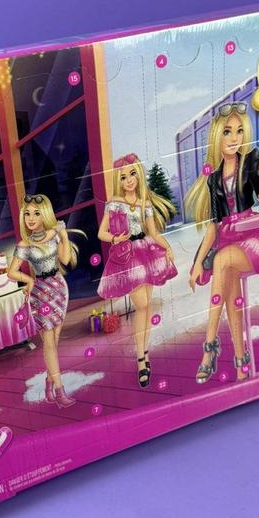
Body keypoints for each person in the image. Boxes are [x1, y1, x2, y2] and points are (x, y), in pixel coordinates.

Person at [185, 102, 259, 384]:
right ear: (217, 136)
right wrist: (196, 263)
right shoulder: (214, 179)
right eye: (227, 131)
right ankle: (241, 363)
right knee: (230, 297)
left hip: (253, 238)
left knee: (222, 260)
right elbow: (213, 227)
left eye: (239, 131)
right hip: (228, 238)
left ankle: (209, 347)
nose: (234, 137)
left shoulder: (251, 161)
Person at [97, 153, 177, 388]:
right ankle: (141, 358)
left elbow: (153, 232)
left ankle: (144, 355)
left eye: (132, 174)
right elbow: (101, 232)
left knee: (146, 307)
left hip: (147, 252)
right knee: (141, 306)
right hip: (128, 256)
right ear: (118, 181)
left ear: (139, 175)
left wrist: (167, 246)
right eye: (123, 177)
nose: (129, 180)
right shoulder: (114, 203)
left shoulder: (145, 203)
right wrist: (115, 238)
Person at [7, 194, 84, 409]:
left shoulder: (53, 236)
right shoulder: (25, 244)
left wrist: (63, 236)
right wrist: (29, 279)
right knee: (49, 343)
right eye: (27, 214)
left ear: (45, 214)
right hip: (40, 293)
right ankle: (60, 392)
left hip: (58, 289)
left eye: (36, 213)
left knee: (54, 344)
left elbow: (65, 259)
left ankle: (49, 383)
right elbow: (11, 272)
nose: (31, 218)